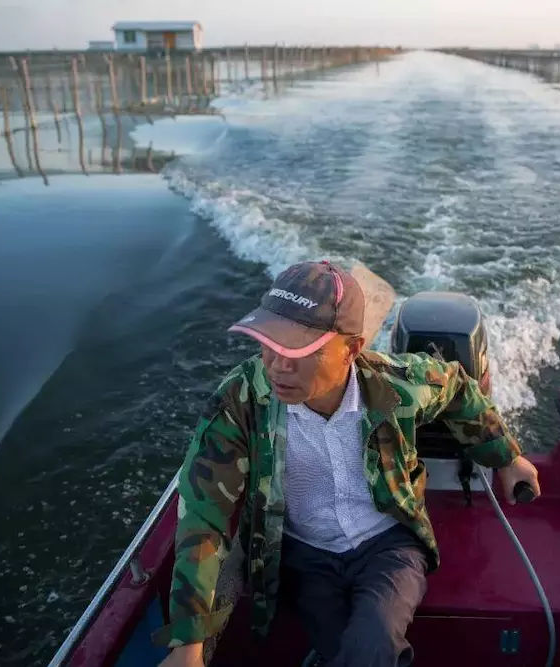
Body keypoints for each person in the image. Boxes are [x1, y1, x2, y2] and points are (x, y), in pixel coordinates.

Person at [155, 261, 540, 667]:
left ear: (352, 350)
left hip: (389, 542)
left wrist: (507, 457)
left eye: (302, 350)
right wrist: (189, 644)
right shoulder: (242, 402)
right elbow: (203, 519)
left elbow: (459, 388)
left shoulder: (398, 385)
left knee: (373, 641)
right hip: (302, 551)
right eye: (269, 342)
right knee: (344, 650)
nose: (278, 365)